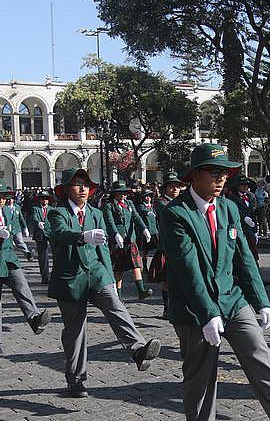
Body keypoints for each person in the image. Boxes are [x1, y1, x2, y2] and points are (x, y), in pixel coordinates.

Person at [160, 143, 270, 421]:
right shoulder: (176, 214)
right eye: (214, 173)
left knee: (259, 352)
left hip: (232, 298)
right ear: (196, 175)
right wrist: (207, 314)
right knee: (201, 375)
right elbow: (188, 271)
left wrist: (260, 300)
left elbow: (243, 257)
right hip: (194, 307)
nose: (221, 179)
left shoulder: (229, 208)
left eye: (225, 173)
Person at [47, 168, 161, 398]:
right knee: (75, 331)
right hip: (71, 277)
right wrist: (81, 236)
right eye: (77, 185)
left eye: (86, 185)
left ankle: (138, 350)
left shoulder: (96, 213)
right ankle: (76, 380)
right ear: (67, 189)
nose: (83, 189)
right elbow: (59, 233)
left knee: (116, 307)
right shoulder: (57, 213)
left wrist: (109, 277)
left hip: (97, 273)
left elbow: (102, 250)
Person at [0, 179, 52, 357]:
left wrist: (23, 246)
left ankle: (34, 318)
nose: (1, 200)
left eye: (4, 197)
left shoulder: (8, 211)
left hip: (8, 258)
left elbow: (14, 233)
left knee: (22, 285)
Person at [102, 179, 153, 300]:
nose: (123, 195)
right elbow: (110, 221)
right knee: (118, 269)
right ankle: (118, 296)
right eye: (120, 192)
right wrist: (115, 234)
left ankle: (141, 290)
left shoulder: (129, 204)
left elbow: (136, 216)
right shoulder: (109, 205)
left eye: (125, 192)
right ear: (114, 193)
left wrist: (144, 229)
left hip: (130, 239)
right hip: (118, 240)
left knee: (136, 265)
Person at [148, 171, 185, 318]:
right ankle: (167, 307)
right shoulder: (160, 201)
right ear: (165, 188)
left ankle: (179, 305)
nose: (175, 189)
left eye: (177, 186)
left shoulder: (181, 201)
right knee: (166, 278)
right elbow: (170, 213)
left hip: (181, 244)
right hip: (166, 244)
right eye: (171, 186)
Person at [27, 190, 54, 284]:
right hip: (40, 233)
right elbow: (34, 217)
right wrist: (38, 223)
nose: (44, 201)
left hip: (50, 232)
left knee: (56, 254)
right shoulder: (36, 208)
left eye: (46, 199)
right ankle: (45, 277)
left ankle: (55, 276)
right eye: (43, 199)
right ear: (39, 200)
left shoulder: (51, 209)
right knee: (43, 256)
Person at [4, 196, 32, 261]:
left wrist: (25, 228)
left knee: (20, 242)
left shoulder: (17, 207)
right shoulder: (4, 207)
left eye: (11, 199)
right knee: (9, 244)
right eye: (8, 199)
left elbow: (21, 218)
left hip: (17, 228)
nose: (10, 201)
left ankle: (28, 254)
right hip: (7, 230)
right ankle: (10, 259)